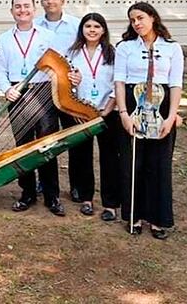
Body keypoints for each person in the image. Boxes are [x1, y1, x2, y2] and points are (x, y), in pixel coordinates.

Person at [114, 2, 183, 240]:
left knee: (159, 165)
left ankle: (157, 219)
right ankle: (134, 215)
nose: (137, 23)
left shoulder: (172, 48)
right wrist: (123, 113)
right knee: (134, 164)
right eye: (133, 20)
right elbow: (119, 82)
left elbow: (175, 84)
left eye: (141, 18)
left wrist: (172, 116)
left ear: (153, 18)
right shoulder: (125, 47)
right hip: (133, 103)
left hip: (162, 106)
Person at [0, 0, 64, 216]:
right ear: (12, 11)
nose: (22, 10)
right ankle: (28, 194)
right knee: (23, 146)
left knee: (46, 145)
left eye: (26, 6)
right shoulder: (4, 39)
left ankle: (52, 196)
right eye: (17, 7)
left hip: (43, 93)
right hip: (17, 94)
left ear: (34, 10)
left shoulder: (48, 36)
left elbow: (57, 65)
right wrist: (7, 89)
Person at [66, 13, 119, 219]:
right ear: (82, 29)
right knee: (82, 156)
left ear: (103, 30)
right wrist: (73, 82)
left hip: (108, 111)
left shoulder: (112, 53)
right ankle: (86, 198)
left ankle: (110, 204)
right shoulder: (73, 53)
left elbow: (118, 82)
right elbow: (67, 83)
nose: (92, 30)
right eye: (88, 26)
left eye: (97, 26)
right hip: (82, 113)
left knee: (109, 158)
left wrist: (108, 108)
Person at [34, 0, 82, 201]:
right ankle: (44, 183)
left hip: (69, 88)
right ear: (42, 3)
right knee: (47, 139)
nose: (50, 1)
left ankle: (78, 186)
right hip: (44, 89)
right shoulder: (34, 26)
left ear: (62, 1)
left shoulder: (75, 25)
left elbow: (83, 53)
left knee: (74, 137)